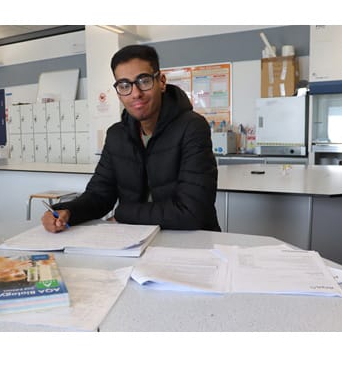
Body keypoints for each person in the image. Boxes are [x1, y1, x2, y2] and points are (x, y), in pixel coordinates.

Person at [42, 44, 221, 233]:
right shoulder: (117, 135)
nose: (135, 93)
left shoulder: (192, 127)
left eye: (143, 81)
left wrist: (123, 213)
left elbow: (191, 212)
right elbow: (99, 195)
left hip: (190, 244)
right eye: (125, 85)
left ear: (161, 81)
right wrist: (67, 212)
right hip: (134, 244)